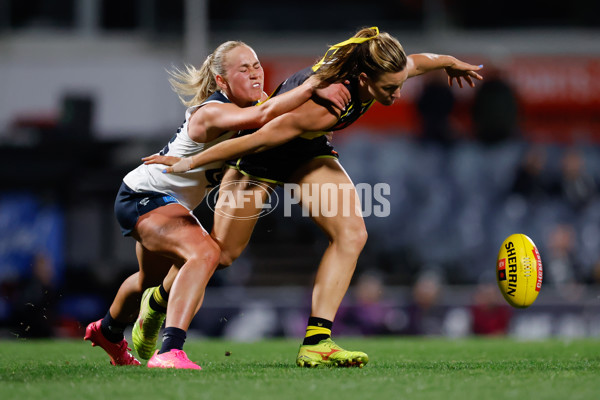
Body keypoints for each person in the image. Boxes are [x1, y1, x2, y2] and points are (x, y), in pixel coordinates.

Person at [143, 26, 483, 368]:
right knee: (223, 253)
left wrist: (449, 62)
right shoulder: (327, 103)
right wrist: (191, 160)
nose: (396, 94)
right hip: (262, 155)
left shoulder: (384, 70)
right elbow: (257, 139)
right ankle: (157, 302)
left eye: (400, 85)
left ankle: (318, 342)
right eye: (390, 88)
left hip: (307, 151)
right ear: (364, 79)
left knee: (352, 233)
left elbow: (419, 63)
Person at [83, 40, 350, 369]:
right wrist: (313, 85)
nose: (255, 74)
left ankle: (107, 331)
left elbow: (283, 123)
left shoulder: (255, 104)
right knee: (206, 252)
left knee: (148, 283)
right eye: (244, 69)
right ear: (222, 81)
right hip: (143, 195)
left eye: (256, 66)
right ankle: (170, 350)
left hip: (164, 201)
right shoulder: (213, 111)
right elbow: (265, 116)